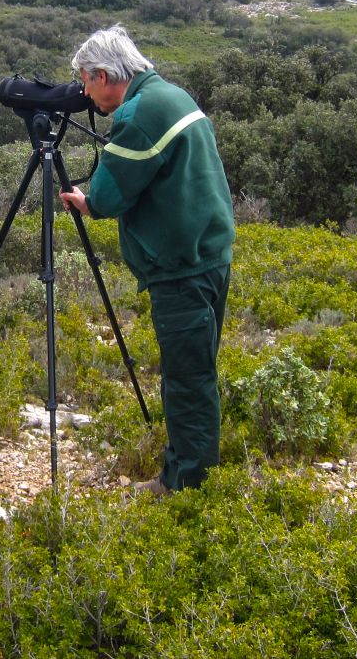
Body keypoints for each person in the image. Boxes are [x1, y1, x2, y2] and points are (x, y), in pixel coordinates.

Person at [60, 25, 235, 493]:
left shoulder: (139, 114)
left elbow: (108, 195)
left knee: (187, 378)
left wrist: (87, 203)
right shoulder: (172, 96)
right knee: (195, 370)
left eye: (85, 81)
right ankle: (189, 473)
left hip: (181, 266)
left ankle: (187, 486)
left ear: (102, 75)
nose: (84, 93)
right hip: (209, 254)